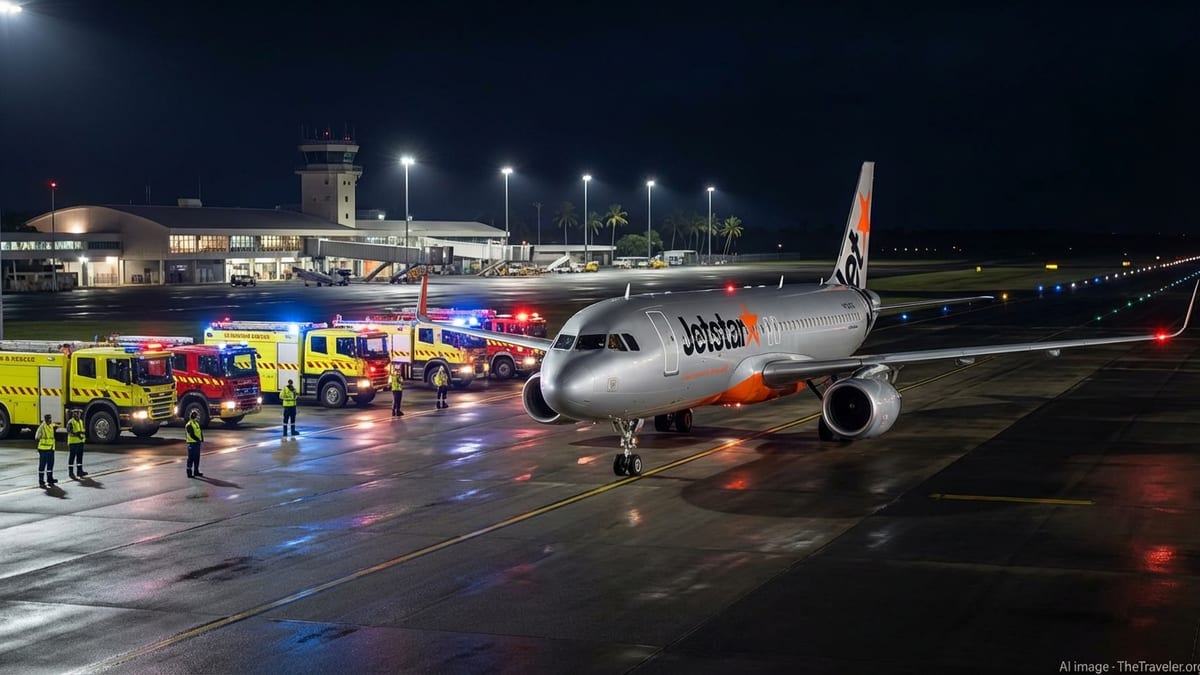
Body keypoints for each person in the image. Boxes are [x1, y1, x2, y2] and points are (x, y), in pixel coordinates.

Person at [35, 413, 58, 488]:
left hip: (51, 449)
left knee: (50, 465)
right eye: (48, 419)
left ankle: (50, 479)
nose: (50, 420)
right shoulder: (42, 426)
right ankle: (41, 481)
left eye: (50, 419)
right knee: (42, 465)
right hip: (43, 449)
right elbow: (37, 437)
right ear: (45, 420)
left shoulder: (51, 426)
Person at [66, 408, 88, 479]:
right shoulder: (71, 422)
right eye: (77, 413)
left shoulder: (80, 421)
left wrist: (83, 437)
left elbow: (82, 431)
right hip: (73, 443)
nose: (78, 414)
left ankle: (79, 471)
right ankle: (71, 472)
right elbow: (70, 432)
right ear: (73, 414)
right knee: (72, 458)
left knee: (79, 458)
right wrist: (78, 434)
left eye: (79, 413)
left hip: (80, 442)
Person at [185, 409, 204, 478]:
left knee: (197, 458)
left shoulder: (196, 423)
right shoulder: (189, 424)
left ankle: (196, 471)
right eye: (196, 416)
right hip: (192, 443)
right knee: (191, 458)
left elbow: (199, 431)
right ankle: (189, 472)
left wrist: (201, 439)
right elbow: (191, 434)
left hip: (197, 443)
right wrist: (198, 439)